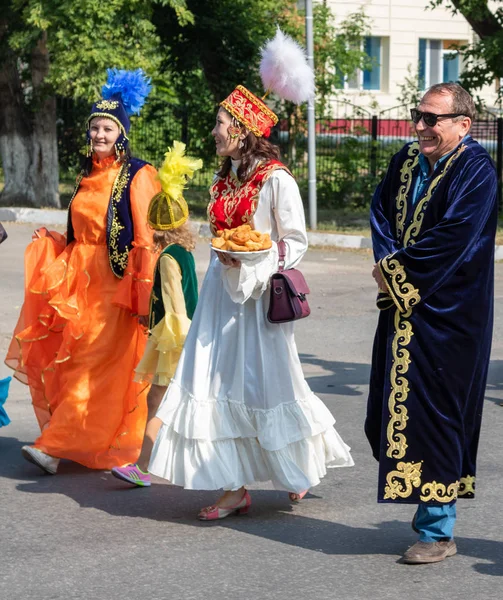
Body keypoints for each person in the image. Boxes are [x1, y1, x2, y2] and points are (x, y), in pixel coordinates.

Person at [148, 30, 354, 520]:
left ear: (241, 130)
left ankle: (297, 467)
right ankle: (232, 485)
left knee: (272, 386)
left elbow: (296, 241)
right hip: (222, 296)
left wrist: (256, 261)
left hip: (258, 299)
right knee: (215, 384)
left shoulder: (276, 178)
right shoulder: (224, 178)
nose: (214, 131)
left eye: (220, 123)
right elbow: (222, 229)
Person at [366, 82, 498, 564]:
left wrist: (396, 273)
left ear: (463, 125)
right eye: (417, 115)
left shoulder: (477, 172)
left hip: (450, 317)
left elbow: (455, 239)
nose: (419, 127)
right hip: (403, 310)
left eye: (431, 119)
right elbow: (381, 212)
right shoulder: (404, 160)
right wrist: (387, 263)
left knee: (439, 418)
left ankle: (437, 532)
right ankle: (423, 510)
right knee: (391, 410)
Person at [5, 68, 161, 474]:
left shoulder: (138, 175)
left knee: (93, 363)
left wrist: (142, 296)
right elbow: (83, 235)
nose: (99, 135)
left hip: (115, 287)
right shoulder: (86, 175)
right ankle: (81, 440)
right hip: (78, 286)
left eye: (107, 128)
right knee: (74, 363)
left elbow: (145, 238)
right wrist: (54, 241)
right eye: (94, 128)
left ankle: (53, 447)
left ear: (122, 133)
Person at [111, 142, 201, 487]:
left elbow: (176, 307)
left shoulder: (165, 257)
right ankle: (159, 463)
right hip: (185, 338)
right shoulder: (185, 253)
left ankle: (143, 467)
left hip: (175, 343)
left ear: (152, 225)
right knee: (172, 402)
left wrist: (172, 344)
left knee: (159, 400)